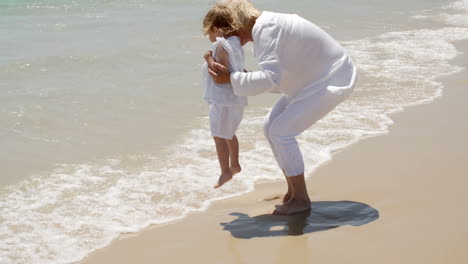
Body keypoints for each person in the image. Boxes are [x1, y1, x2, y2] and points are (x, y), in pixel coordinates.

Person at [205, 0, 357, 215]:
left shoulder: (266, 29)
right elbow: (276, 76)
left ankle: (301, 199)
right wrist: (232, 75)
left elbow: (270, 79)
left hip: (332, 78)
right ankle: (293, 192)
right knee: (270, 127)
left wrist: (231, 78)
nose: (229, 36)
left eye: (229, 29)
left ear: (237, 23)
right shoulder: (266, 28)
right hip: (312, 80)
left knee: (281, 132)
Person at [201, 4, 248, 188]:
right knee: (229, 133)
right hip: (236, 97)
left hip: (222, 99)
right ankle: (235, 164)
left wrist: (208, 58)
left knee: (218, 135)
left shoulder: (221, 45)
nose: (210, 38)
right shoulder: (236, 43)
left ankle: (225, 171)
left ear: (216, 28)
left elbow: (220, 70)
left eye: (209, 33)